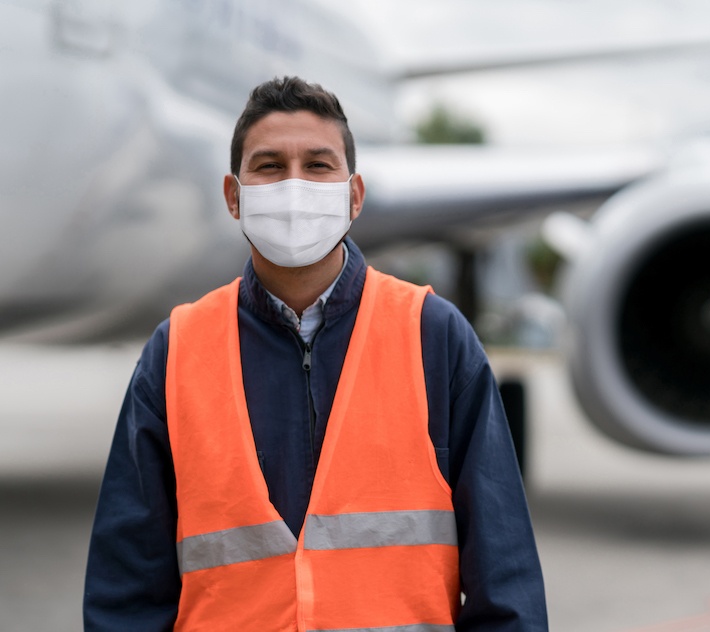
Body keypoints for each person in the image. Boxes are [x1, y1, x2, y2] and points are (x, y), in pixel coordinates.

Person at [84, 76, 548, 631]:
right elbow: (127, 585)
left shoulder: (432, 335)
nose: (294, 185)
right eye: (270, 165)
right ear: (234, 196)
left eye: (319, 165)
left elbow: (505, 574)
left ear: (355, 195)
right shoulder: (178, 350)